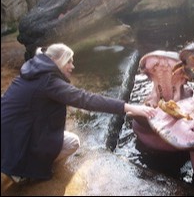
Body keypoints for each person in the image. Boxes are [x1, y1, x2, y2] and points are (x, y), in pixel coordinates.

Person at [1, 43, 156, 184]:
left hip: (10, 135)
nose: (72, 66)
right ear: (56, 60)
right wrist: (130, 108)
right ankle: (23, 170)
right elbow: (86, 99)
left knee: (56, 136)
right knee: (72, 142)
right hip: (15, 144)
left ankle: (19, 163)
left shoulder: (34, 70)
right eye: (68, 61)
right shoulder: (49, 82)